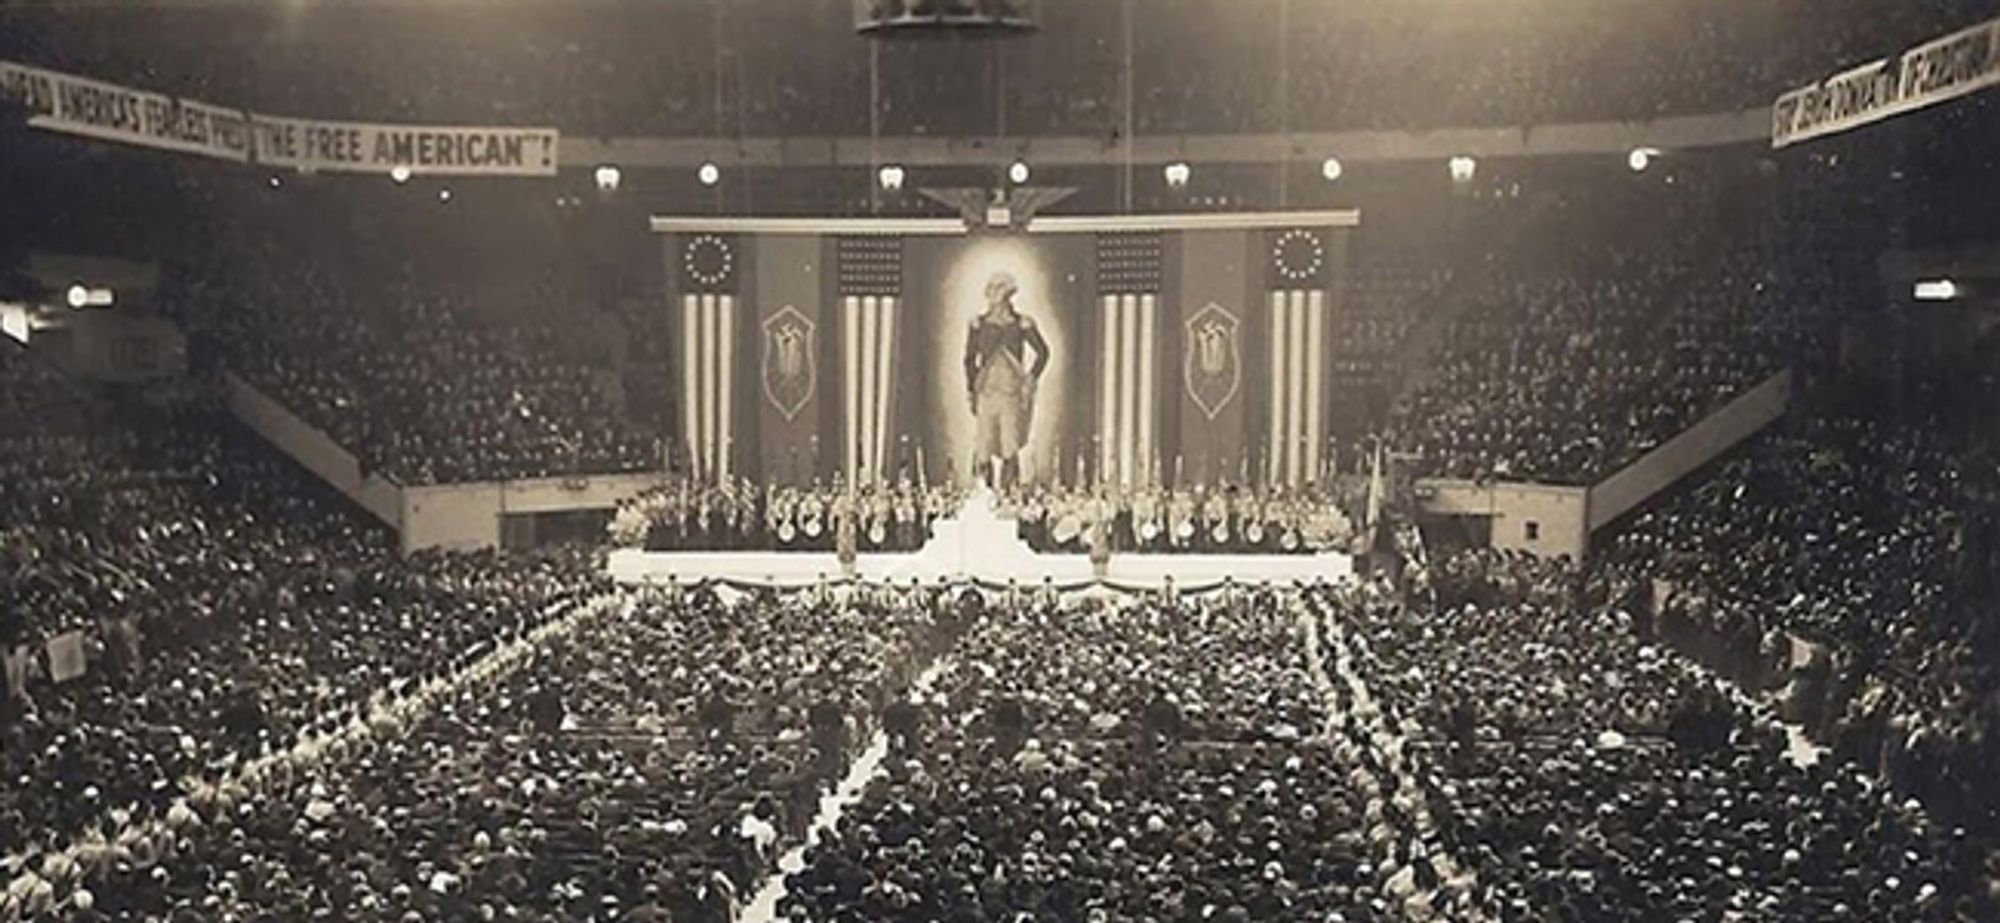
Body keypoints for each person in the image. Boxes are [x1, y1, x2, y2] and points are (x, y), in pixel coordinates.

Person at [963, 272, 1050, 491]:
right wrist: (972, 388)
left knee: (1010, 444)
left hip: (1011, 392)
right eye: (990, 289)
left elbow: (1043, 353)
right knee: (983, 445)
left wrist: (1031, 378)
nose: (990, 293)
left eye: (997, 289)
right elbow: (969, 358)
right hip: (986, 391)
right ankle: (984, 495)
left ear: (1007, 293)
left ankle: (1009, 494)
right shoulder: (977, 324)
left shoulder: (1022, 323)